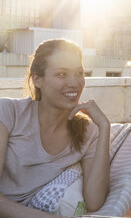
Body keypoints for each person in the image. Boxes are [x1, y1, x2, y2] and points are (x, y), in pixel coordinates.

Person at [0, 39, 110, 217]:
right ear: (37, 80)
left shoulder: (89, 131)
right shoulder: (8, 113)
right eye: (61, 74)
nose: (74, 83)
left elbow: (94, 201)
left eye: (79, 73)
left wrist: (105, 127)